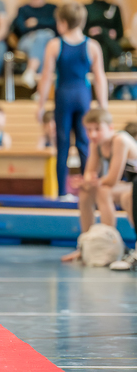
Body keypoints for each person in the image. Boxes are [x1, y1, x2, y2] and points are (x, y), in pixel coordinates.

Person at [36, 2, 108, 199]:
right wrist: (103, 106)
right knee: (85, 144)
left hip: (64, 96)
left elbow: (46, 77)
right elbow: (100, 78)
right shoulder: (92, 46)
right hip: (83, 96)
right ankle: (89, 192)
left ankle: (62, 193)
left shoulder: (55, 45)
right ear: (82, 21)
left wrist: (41, 105)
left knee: (63, 145)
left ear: (62, 22)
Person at [62, 109, 137, 263]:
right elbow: (90, 173)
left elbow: (112, 179)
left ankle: (108, 244)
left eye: (97, 129)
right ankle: (85, 246)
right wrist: (85, 182)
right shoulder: (96, 145)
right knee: (85, 192)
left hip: (131, 186)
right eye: (89, 130)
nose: (93, 134)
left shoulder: (120, 140)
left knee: (104, 190)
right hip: (127, 185)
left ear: (110, 127)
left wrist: (90, 181)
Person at [12, 0, 57, 89]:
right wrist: (44, 26)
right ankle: (42, 89)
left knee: (43, 39)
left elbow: (57, 27)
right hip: (27, 42)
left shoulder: (52, 8)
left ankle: (31, 72)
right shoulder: (23, 9)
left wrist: (36, 23)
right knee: (44, 38)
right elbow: (21, 29)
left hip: (47, 43)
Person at [85, 0, 123, 71]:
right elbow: (82, 31)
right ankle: (120, 57)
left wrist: (114, 33)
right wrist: (91, 31)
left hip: (108, 42)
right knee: (101, 41)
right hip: (93, 40)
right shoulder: (86, 8)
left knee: (104, 44)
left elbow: (120, 31)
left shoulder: (114, 8)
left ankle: (101, 76)